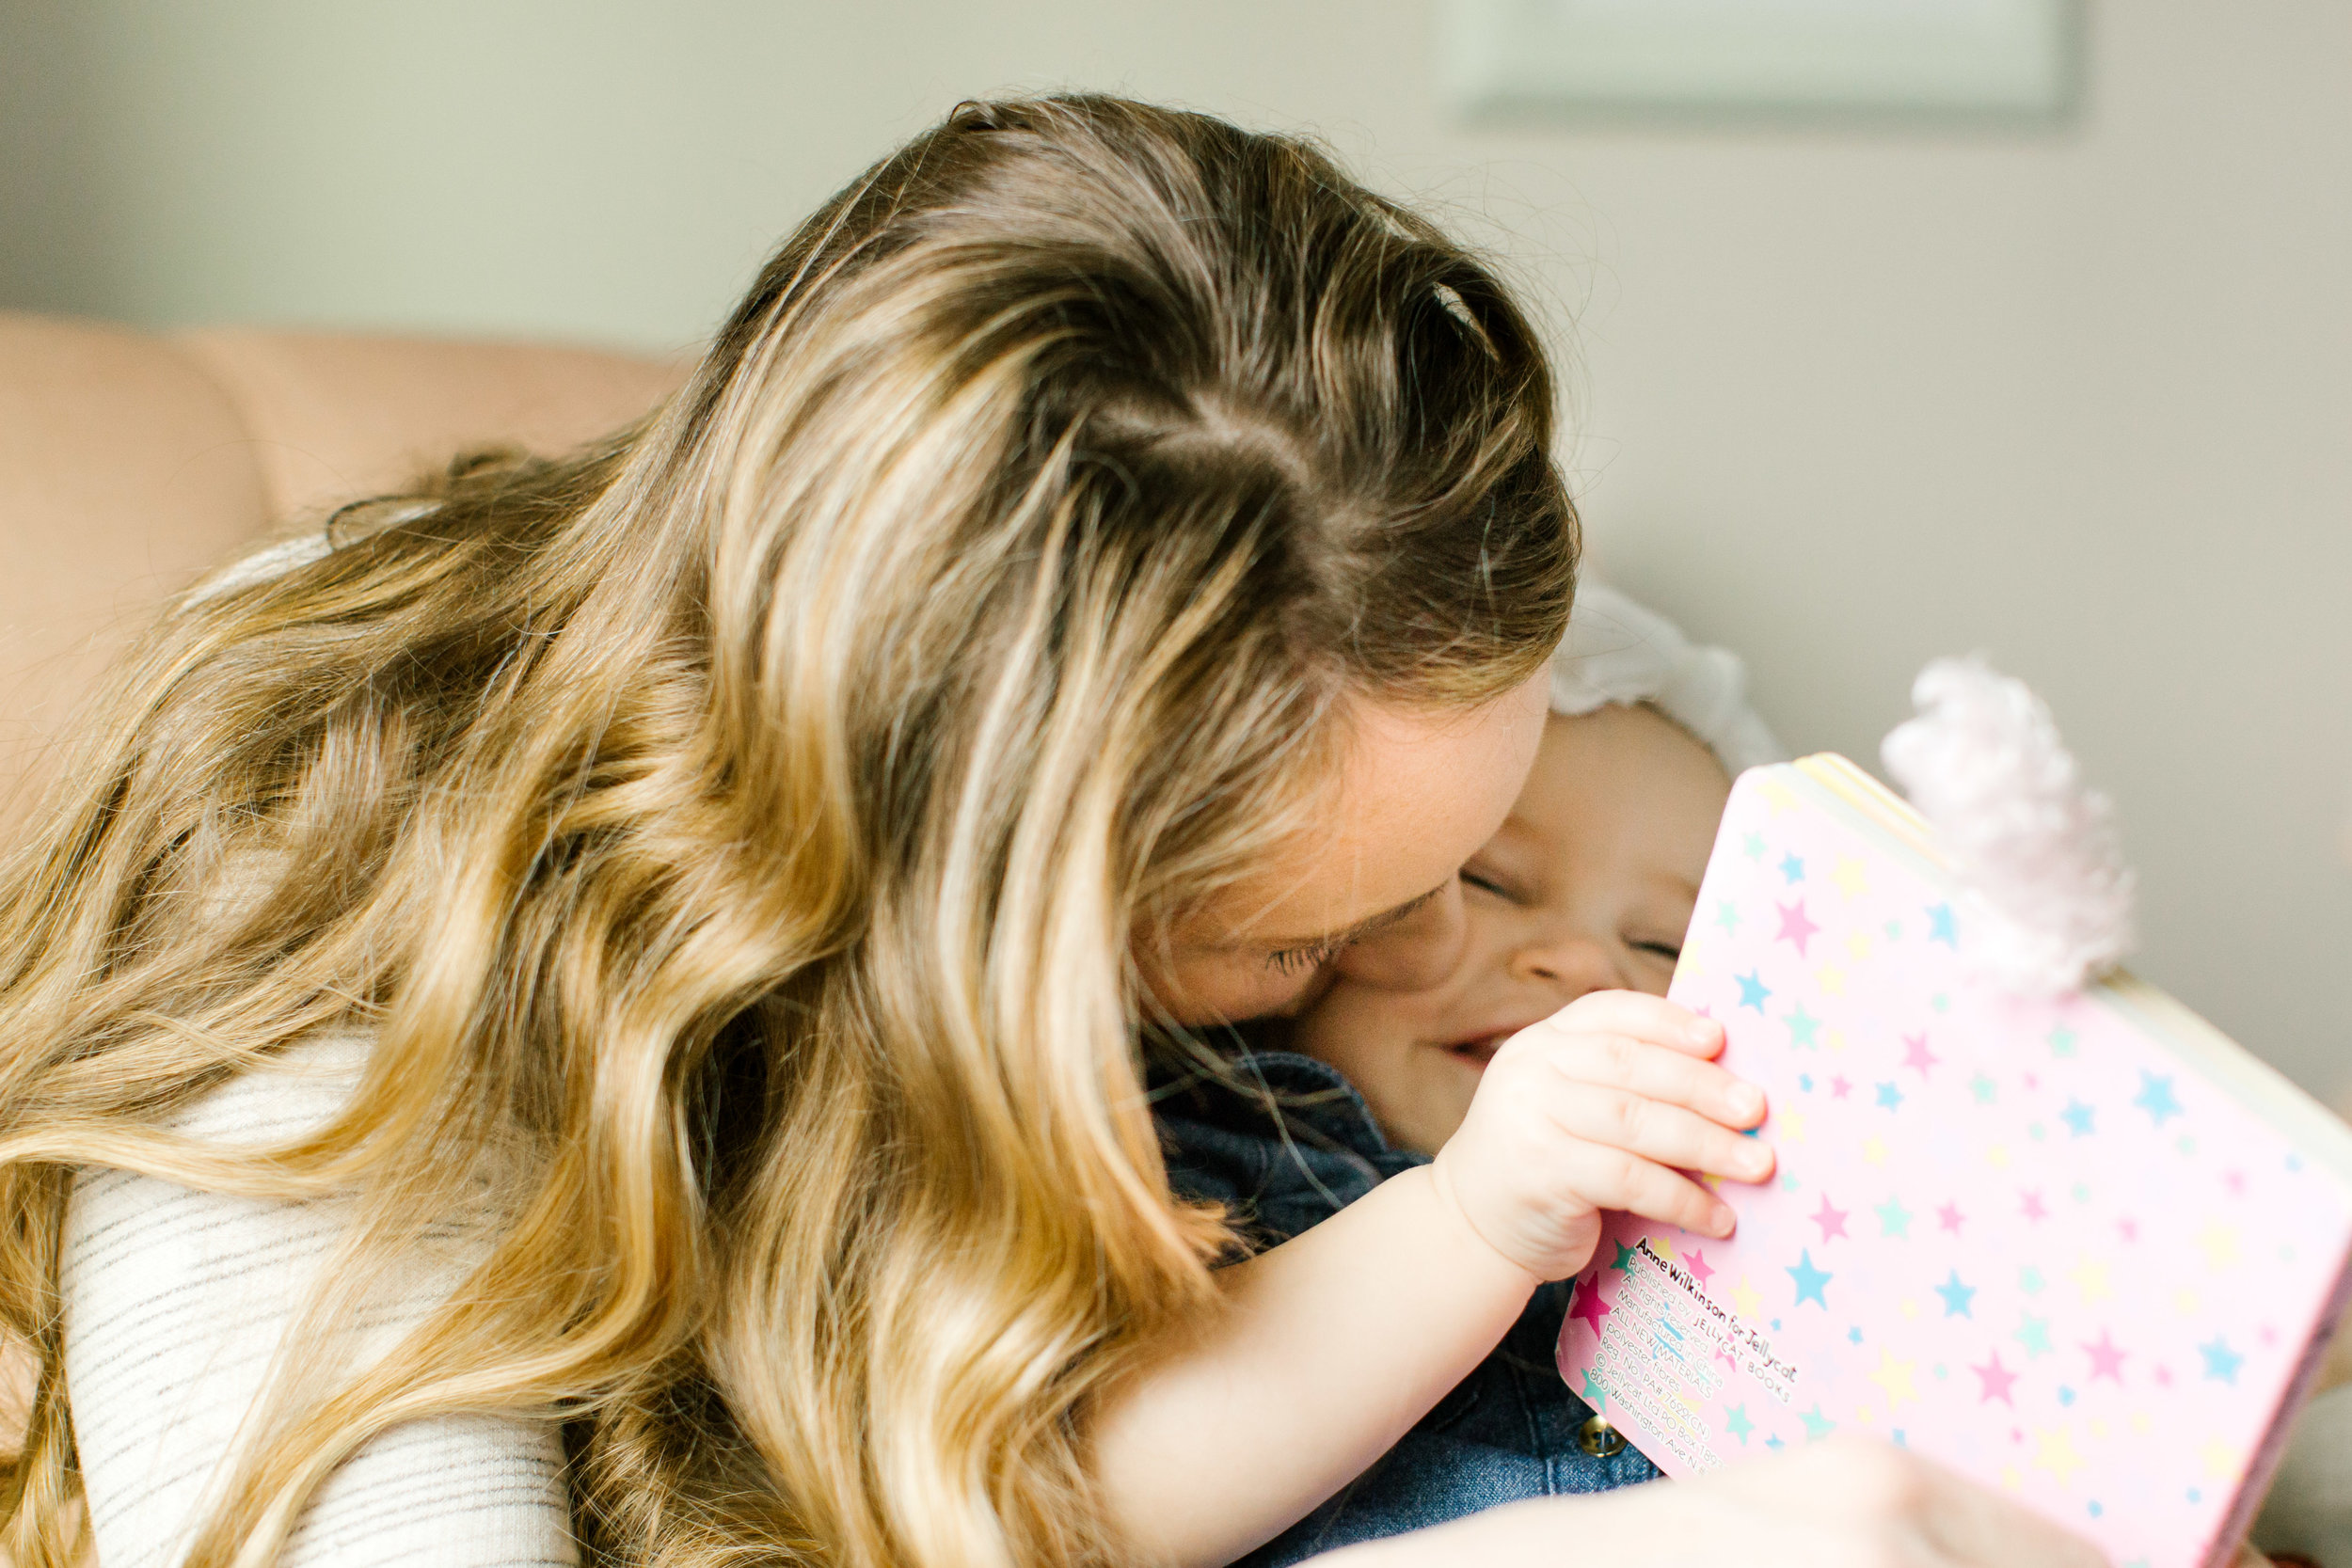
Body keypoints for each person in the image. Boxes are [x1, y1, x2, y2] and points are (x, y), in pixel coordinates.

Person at [0, 96, 2106, 1568]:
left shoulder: (1316, 556)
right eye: (1305, 933)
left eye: (1469, 846)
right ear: (976, 905)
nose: (1430, 958)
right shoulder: (333, 881)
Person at [1145, 586, 1782, 1563]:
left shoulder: (1718, 1254)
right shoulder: (1209, 1148)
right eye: (1489, 881)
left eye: (1662, 942)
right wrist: (1471, 1213)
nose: (1576, 964)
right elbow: (1092, 1492)